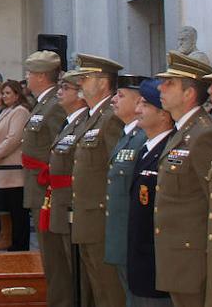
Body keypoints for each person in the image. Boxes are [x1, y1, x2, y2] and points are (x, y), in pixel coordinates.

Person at [153, 51, 212, 307]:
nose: (160, 87)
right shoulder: (184, 131)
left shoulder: (202, 135)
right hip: (177, 253)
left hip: (193, 256)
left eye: (170, 83)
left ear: (189, 93)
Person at [68, 54, 126, 307]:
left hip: (101, 216)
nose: (80, 82)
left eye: (86, 77)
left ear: (103, 83)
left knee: (109, 288)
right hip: (87, 215)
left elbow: (117, 171)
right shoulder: (92, 116)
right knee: (96, 286)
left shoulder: (110, 118)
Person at [126, 79, 175, 306]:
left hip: (156, 260)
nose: (137, 110)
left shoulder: (168, 150)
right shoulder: (147, 148)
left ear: (164, 115)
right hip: (141, 257)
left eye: (144, 105)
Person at [18, 50, 65, 280]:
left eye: (29, 73)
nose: (26, 77)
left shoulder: (54, 105)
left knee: (55, 259)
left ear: (41, 76)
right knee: (48, 257)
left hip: (47, 189)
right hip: (38, 185)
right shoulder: (41, 104)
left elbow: (60, 149)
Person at [44, 72, 90, 303]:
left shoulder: (86, 123)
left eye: (66, 87)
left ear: (81, 95)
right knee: (61, 262)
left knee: (77, 267)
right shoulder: (69, 122)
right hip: (59, 200)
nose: (59, 91)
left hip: (73, 202)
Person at [103, 74, 146, 299]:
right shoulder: (126, 136)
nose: (113, 100)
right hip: (120, 234)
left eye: (121, 96)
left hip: (133, 236)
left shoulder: (143, 139)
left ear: (139, 102)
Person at [0, 80, 29, 250]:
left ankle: (20, 245)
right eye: (3, 93)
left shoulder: (20, 111)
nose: (4, 96)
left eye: (8, 93)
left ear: (17, 95)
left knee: (18, 211)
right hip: (2, 168)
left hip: (13, 169)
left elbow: (13, 138)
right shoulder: (6, 111)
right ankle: (11, 241)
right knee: (8, 209)